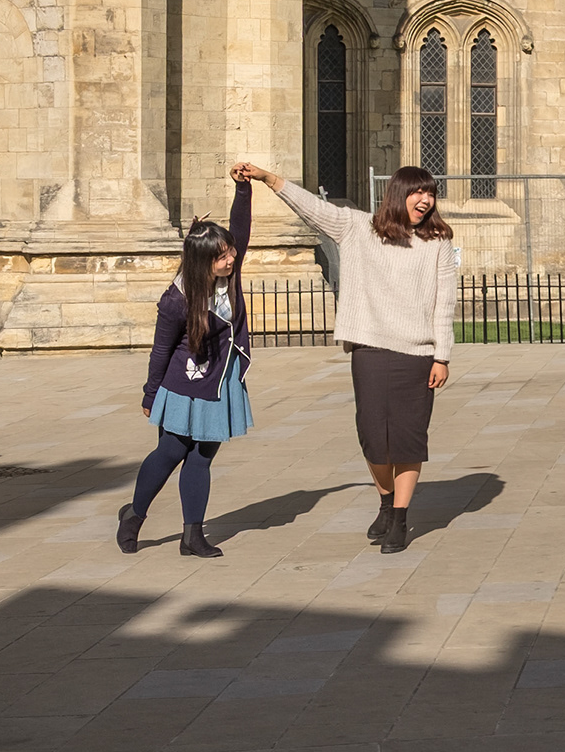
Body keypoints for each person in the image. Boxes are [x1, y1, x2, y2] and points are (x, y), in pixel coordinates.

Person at [238, 163, 456, 554]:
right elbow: (311, 209)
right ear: (397, 194)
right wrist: (269, 178)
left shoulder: (437, 242)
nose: (425, 200)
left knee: (408, 440)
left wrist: (442, 356)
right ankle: (386, 503)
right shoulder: (358, 228)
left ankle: (401, 519)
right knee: (373, 437)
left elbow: (444, 303)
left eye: (431, 193)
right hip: (369, 350)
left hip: (417, 354)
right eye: (417, 192)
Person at [123, 164, 258, 558]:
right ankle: (133, 515)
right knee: (171, 452)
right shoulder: (176, 300)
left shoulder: (230, 275)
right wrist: (151, 394)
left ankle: (192, 536)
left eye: (231, 252)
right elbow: (161, 350)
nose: (231, 259)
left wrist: (243, 191)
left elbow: (241, 227)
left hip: (220, 380)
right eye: (221, 257)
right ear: (202, 262)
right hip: (183, 383)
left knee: (202, 457)